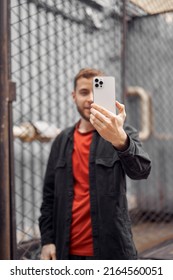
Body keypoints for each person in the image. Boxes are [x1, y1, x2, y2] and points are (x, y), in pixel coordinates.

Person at [39, 68, 151, 260]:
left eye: (96, 92)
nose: (90, 98)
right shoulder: (62, 141)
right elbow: (49, 196)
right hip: (67, 251)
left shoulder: (123, 133)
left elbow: (142, 171)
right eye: (83, 92)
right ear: (74, 96)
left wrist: (120, 139)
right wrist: (47, 240)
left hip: (112, 251)